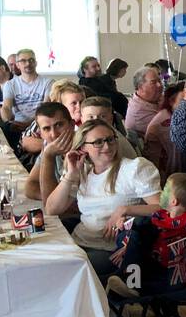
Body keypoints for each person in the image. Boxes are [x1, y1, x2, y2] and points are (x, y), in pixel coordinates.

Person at [44, 119, 162, 277]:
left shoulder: (133, 169)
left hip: (112, 250)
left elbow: (163, 208)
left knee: (64, 273)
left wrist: (125, 209)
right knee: (43, 264)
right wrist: (71, 175)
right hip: (79, 241)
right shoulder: (82, 171)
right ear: (82, 148)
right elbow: (52, 209)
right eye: (98, 142)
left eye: (110, 139)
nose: (107, 146)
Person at [108, 173, 186, 298]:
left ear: (174, 201)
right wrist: (123, 225)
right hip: (152, 264)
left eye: (165, 190)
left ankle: (131, 287)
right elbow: (139, 232)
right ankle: (128, 284)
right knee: (134, 235)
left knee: (157, 284)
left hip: (174, 273)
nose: (161, 193)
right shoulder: (161, 215)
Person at [23, 102, 76, 204]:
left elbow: (50, 203)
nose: (54, 134)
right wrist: (53, 198)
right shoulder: (49, 147)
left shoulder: (85, 148)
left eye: (59, 125)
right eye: (46, 129)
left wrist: (54, 200)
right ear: (40, 134)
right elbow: (30, 186)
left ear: (72, 125)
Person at [0, 49, 53, 137]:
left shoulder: (48, 82)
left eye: (31, 60)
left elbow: (45, 109)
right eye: (23, 61)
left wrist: (30, 124)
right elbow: (6, 107)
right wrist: (8, 123)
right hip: (17, 127)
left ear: (36, 63)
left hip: (40, 126)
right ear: (17, 64)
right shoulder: (10, 84)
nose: (28, 63)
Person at [142, 82, 186, 182]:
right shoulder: (166, 122)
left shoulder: (169, 114)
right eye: (182, 100)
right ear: (171, 101)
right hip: (164, 176)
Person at [125, 65, 165, 139]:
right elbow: (170, 130)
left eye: (159, 81)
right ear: (140, 87)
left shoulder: (151, 99)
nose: (159, 85)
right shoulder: (139, 112)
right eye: (153, 82)